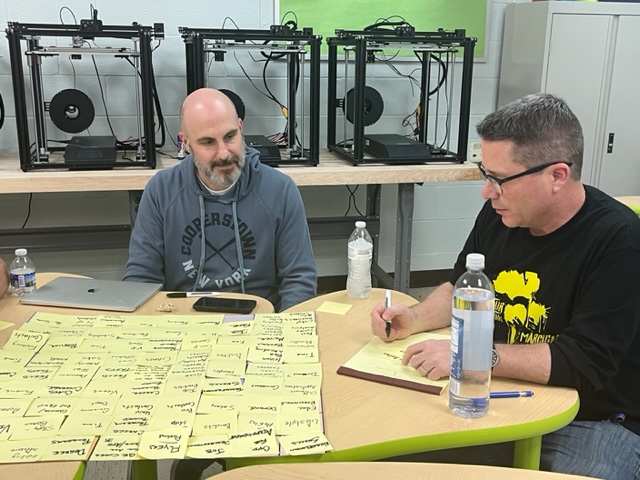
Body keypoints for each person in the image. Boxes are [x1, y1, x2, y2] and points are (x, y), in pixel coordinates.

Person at [371, 93, 640, 479]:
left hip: (595, 417)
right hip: (500, 391)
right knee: (391, 454)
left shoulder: (619, 241)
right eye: (486, 175)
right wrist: (412, 317)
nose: (486, 192)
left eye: (498, 180)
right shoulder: (502, 213)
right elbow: (461, 286)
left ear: (557, 176)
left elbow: (584, 364)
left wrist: (473, 356)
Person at [124, 88, 317, 312]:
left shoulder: (280, 190)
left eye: (230, 136)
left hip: (259, 322)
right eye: (208, 142)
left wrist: (282, 332)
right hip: (182, 321)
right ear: (185, 143)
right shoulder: (160, 190)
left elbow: (299, 279)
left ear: (241, 128)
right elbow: (141, 277)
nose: (224, 153)